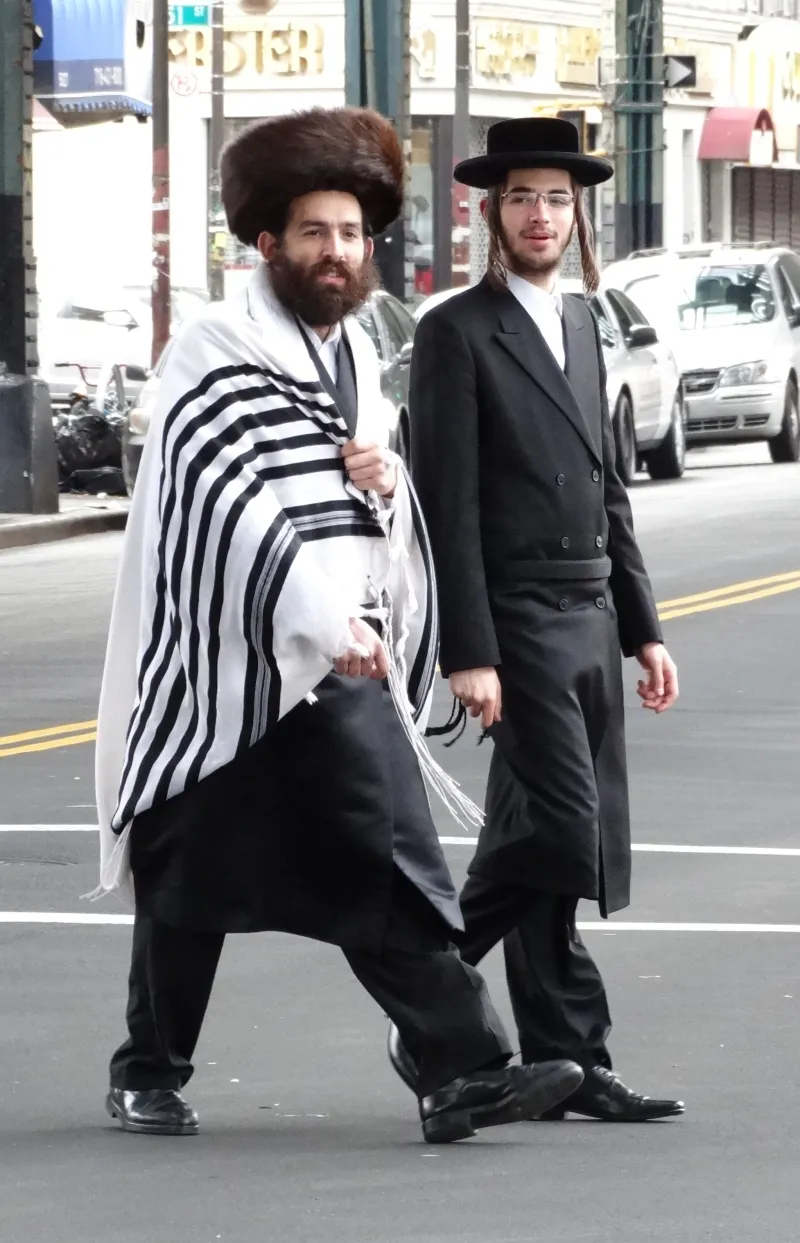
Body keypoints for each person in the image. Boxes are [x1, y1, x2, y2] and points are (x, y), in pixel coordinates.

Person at [92, 107, 583, 1144]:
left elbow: (359, 498)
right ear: (266, 243)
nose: (336, 253)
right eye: (314, 232)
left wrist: (388, 481)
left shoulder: (355, 353)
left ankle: (461, 1067)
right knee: (188, 873)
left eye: (352, 234)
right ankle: (148, 1067)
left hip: (334, 664)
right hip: (228, 667)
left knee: (390, 855)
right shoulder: (214, 350)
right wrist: (315, 609)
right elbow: (222, 496)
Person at [390, 117, 684, 1122]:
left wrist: (643, 625)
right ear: (488, 211)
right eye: (520, 196)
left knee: (568, 839)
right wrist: (466, 651)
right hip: (510, 618)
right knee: (559, 825)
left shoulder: (589, 325)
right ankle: (427, 993)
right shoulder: (454, 331)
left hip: (590, 615)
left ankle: (572, 1056)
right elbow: (444, 504)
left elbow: (611, 491)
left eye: (556, 197)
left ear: (576, 212)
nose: (539, 214)